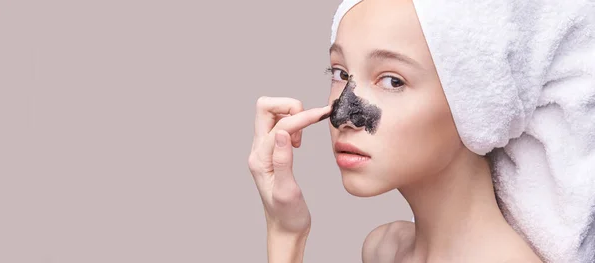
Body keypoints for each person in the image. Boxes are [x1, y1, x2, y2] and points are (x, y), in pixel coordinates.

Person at [248, 0, 593, 262]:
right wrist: (286, 230)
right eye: (339, 72)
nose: (343, 115)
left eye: (392, 80)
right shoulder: (387, 249)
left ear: (475, 101)